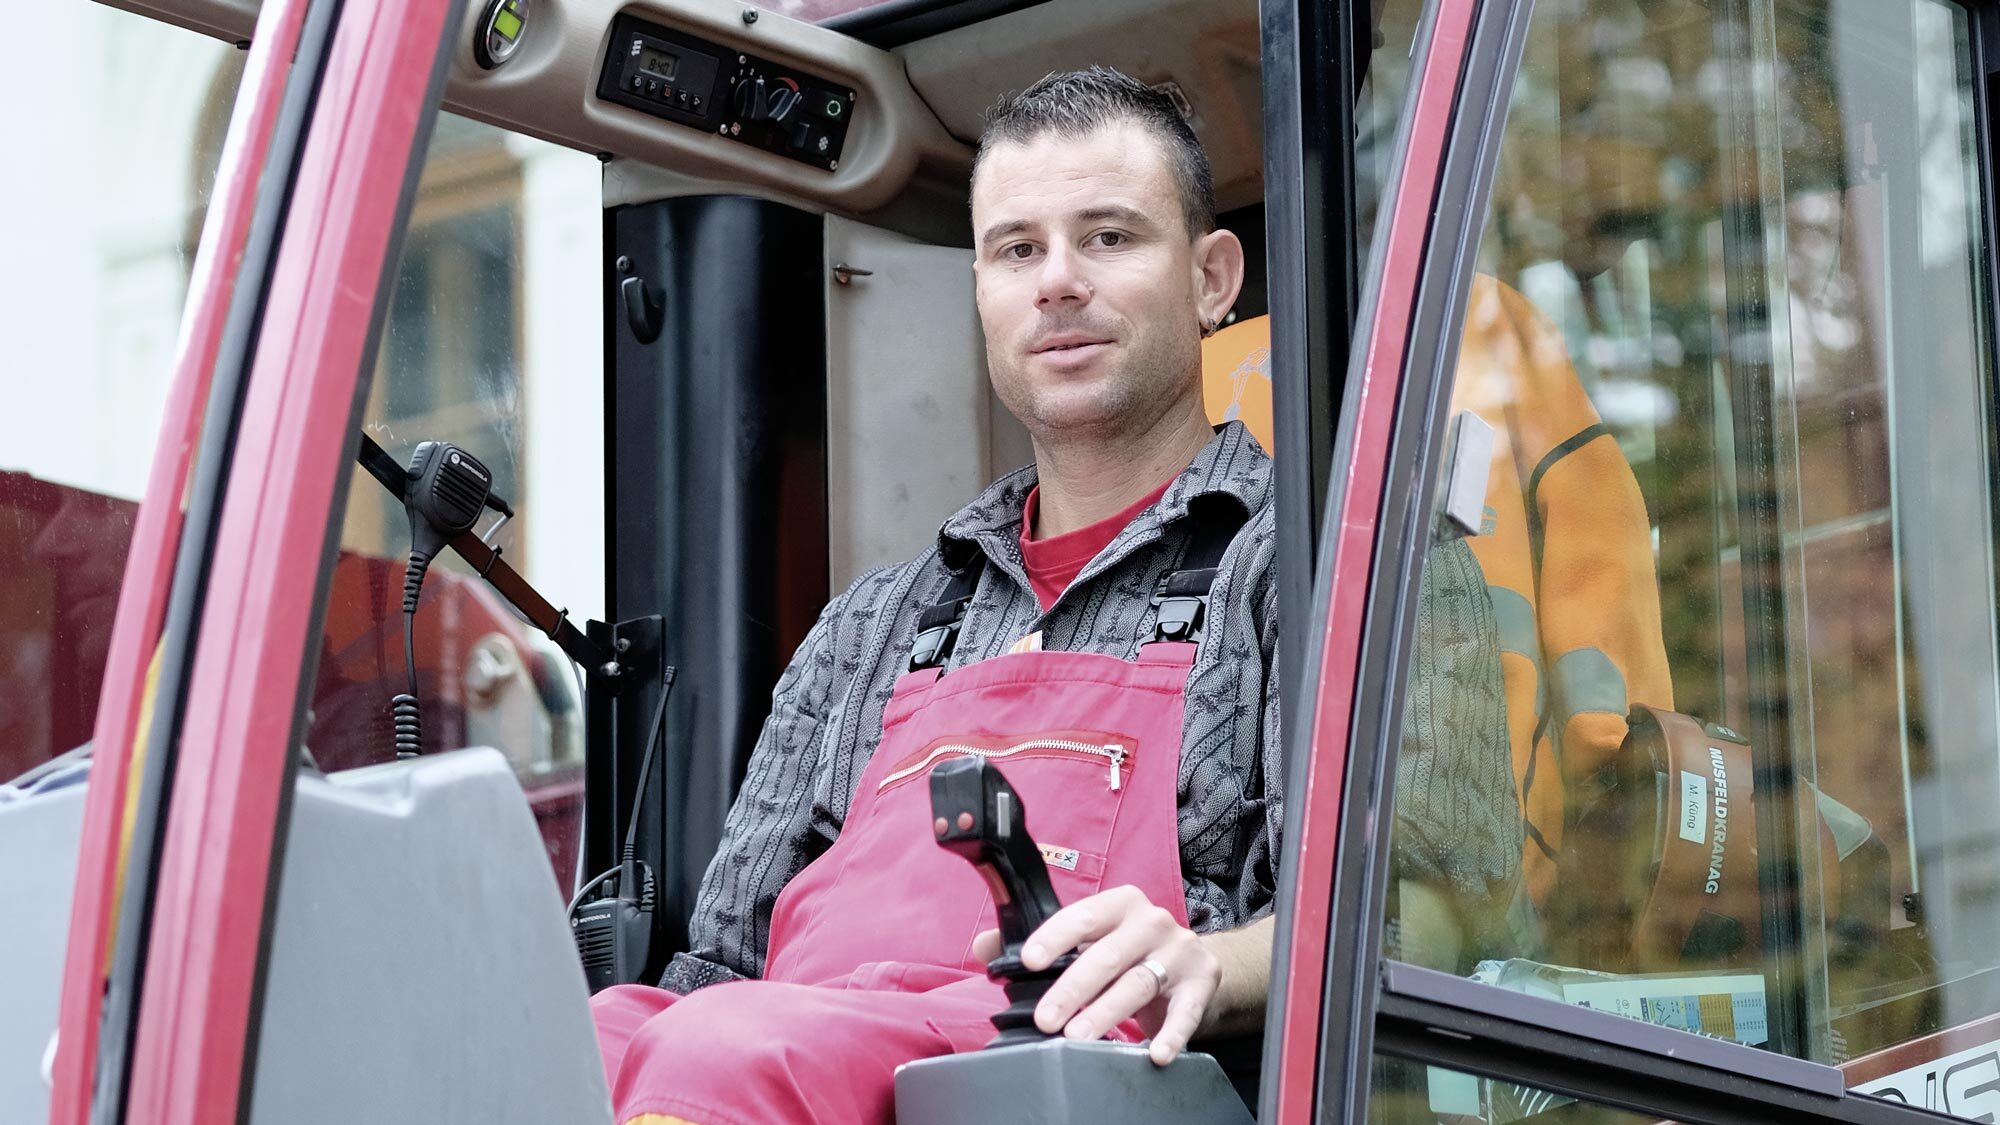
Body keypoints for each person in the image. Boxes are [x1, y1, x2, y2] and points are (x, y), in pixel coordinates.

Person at [590, 67, 1280, 1125]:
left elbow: (1416, 926)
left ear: (1210, 278)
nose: (1056, 282)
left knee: (722, 1049)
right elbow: (718, 966)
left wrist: (1211, 966)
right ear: (981, 294)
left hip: (1080, 1077)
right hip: (780, 1058)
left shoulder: (1316, 567)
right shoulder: (876, 621)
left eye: (1106, 237)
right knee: (542, 1036)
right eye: (1017, 249)